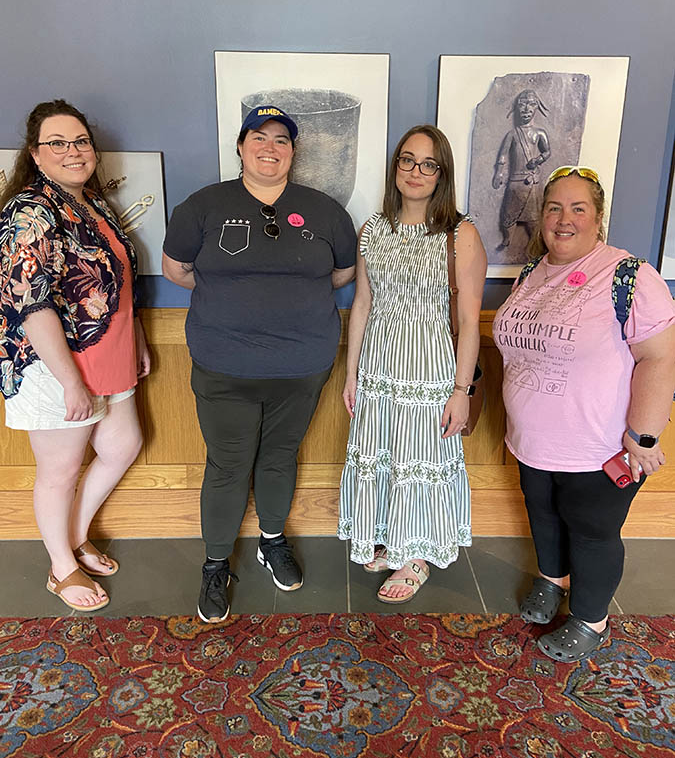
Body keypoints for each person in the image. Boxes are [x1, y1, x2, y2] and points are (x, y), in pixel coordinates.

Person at [162, 105, 356, 623]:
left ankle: (273, 540)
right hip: (224, 365)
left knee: (279, 455)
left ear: (294, 151)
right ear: (242, 146)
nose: (270, 148)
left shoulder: (325, 211)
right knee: (227, 463)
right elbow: (176, 270)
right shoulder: (202, 206)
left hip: (304, 364)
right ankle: (215, 563)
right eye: (259, 137)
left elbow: (341, 274)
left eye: (281, 140)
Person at [493, 166, 675, 661]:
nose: (564, 219)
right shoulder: (533, 273)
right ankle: (553, 582)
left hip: (599, 447)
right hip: (531, 439)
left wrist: (644, 435)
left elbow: (659, 358)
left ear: (598, 218)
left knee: (593, 533)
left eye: (578, 208)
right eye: (554, 208)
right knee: (544, 515)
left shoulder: (628, 276)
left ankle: (591, 619)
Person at [0, 100, 151, 611]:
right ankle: (60, 568)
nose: (72, 151)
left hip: (111, 352)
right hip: (54, 365)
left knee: (123, 444)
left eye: (80, 141)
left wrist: (140, 342)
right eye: (57, 144)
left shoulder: (88, 202)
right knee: (60, 470)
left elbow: (119, 283)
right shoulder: (29, 210)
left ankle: (76, 536)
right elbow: (30, 303)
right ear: (36, 155)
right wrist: (69, 382)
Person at [338, 124, 487, 603]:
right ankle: (394, 539)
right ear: (395, 167)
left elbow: (468, 320)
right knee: (385, 457)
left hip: (430, 372)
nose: (416, 171)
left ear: (441, 173)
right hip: (380, 369)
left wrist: (461, 392)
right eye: (407, 160)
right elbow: (362, 303)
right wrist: (351, 374)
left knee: (420, 460)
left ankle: (416, 555)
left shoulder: (460, 234)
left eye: (428, 163)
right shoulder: (372, 230)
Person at [492, 89, 551, 251]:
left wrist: (538, 160)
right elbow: (503, 155)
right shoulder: (512, 134)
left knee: (533, 217)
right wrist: (499, 172)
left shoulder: (540, 133)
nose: (526, 110)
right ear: (517, 109)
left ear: (536, 108)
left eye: (531, 105)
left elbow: (547, 152)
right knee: (508, 213)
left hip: (532, 181)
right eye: (522, 105)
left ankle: (535, 243)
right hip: (515, 181)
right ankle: (507, 239)